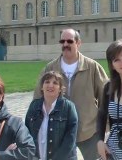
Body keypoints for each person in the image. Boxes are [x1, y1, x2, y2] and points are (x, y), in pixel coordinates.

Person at [34, 28, 108, 160]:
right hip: (58, 133)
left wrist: (106, 127)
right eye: (62, 41)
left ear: (78, 43)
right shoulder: (50, 68)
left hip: (88, 131)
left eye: (69, 41)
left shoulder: (92, 67)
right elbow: (38, 99)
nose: (65, 44)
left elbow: (106, 98)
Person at [26, 71, 78, 160]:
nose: (50, 85)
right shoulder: (34, 106)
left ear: (61, 88)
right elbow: (26, 133)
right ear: (42, 87)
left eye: (55, 83)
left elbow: (70, 139)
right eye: (47, 82)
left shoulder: (68, 107)